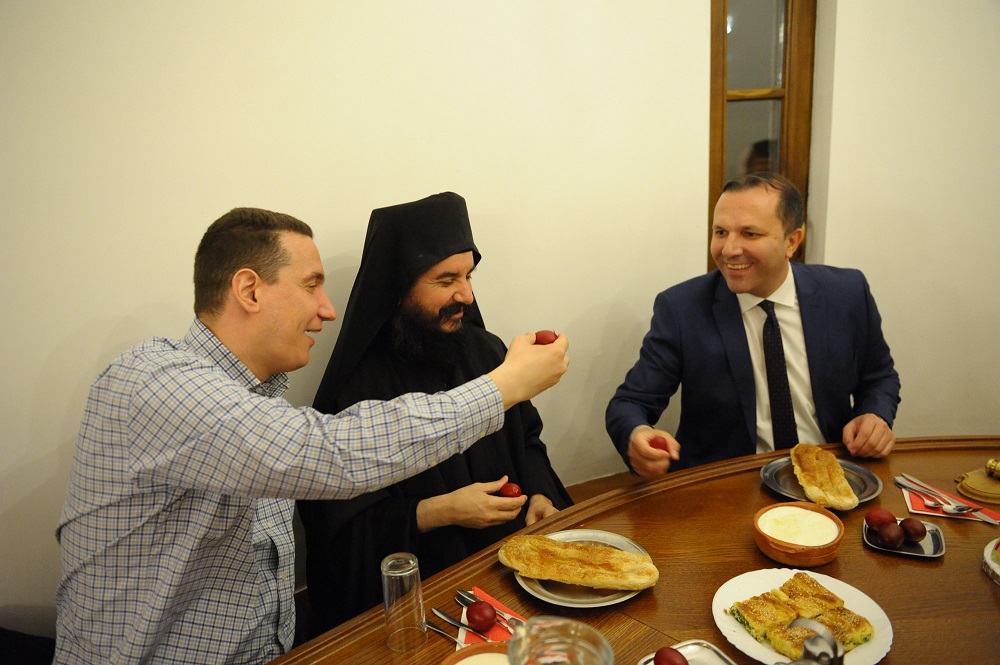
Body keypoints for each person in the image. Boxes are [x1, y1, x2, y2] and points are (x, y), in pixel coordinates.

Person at [54, 207, 569, 665]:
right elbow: (329, 454)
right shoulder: (153, 382)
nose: (327, 308)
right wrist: (503, 387)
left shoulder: (261, 400)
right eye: (311, 286)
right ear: (249, 290)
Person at [298, 192, 573, 634]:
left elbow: (526, 438)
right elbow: (340, 534)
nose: (466, 295)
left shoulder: (488, 352)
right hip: (431, 598)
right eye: (446, 280)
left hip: (514, 575)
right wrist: (435, 511)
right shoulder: (355, 391)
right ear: (398, 287)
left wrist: (541, 495)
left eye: (468, 275)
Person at [606, 172, 900, 477]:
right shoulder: (682, 308)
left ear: (791, 242)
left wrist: (875, 415)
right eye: (721, 232)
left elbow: (879, 376)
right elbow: (629, 403)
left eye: (749, 234)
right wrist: (637, 434)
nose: (729, 249)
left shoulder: (846, 293)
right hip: (728, 483)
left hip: (828, 473)